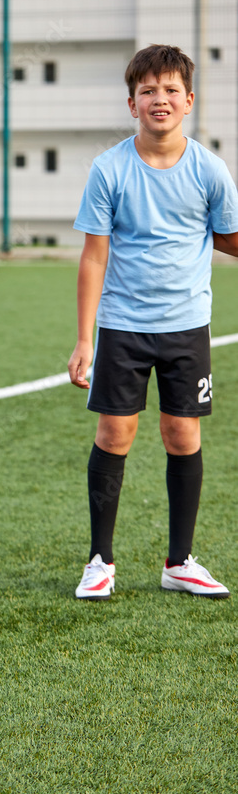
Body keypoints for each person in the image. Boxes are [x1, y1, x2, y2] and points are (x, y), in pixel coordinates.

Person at [68, 44, 238, 600]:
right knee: (115, 434)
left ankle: (180, 560)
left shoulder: (211, 169)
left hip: (187, 326)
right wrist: (83, 339)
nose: (159, 100)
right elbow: (94, 256)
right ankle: (100, 561)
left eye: (170, 91)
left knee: (181, 433)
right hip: (122, 325)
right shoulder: (109, 168)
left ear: (189, 101)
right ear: (131, 102)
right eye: (148, 91)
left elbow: (228, 238)